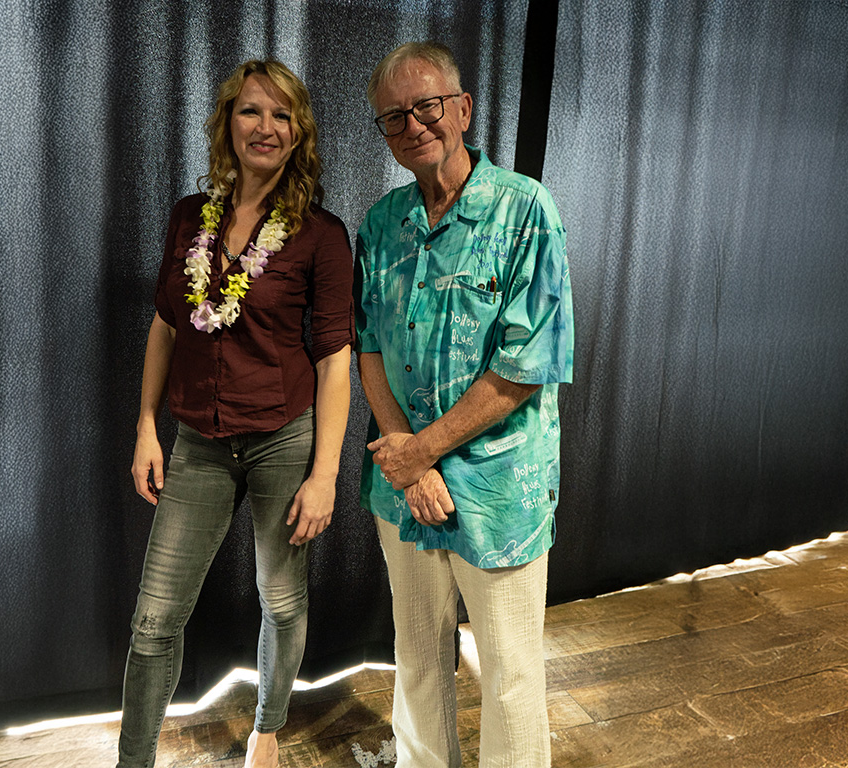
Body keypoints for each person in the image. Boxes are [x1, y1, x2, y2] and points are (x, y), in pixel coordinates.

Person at [117, 59, 353, 768]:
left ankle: (269, 726)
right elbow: (166, 324)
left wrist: (326, 475)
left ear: (298, 132)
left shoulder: (320, 234)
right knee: (155, 621)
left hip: (285, 437)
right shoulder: (191, 218)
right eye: (252, 111)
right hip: (197, 440)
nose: (266, 127)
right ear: (228, 122)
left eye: (282, 115)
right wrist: (145, 426)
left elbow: (336, 358)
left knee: (281, 601)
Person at [354, 42, 573, 768]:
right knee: (415, 659)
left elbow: (525, 367)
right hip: (406, 486)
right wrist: (408, 460)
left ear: (463, 110)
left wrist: (425, 451)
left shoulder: (525, 211)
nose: (413, 124)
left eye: (427, 106)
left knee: (509, 677)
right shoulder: (381, 226)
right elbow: (369, 346)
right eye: (394, 116)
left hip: (499, 488)